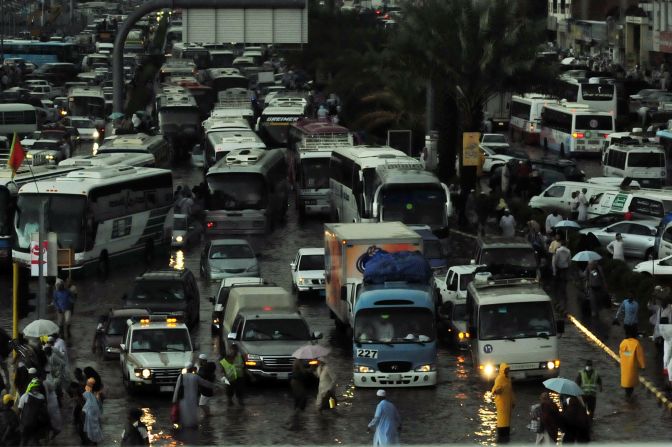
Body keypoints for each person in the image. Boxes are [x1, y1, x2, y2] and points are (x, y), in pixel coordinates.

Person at [172, 362, 213, 429]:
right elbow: (205, 383)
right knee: (192, 415)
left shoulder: (181, 376)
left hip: (183, 400)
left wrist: (174, 400)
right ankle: (192, 428)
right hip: (193, 399)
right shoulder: (195, 377)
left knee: (184, 414)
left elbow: (177, 389)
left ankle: (184, 428)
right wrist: (215, 386)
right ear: (192, 369)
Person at [18, 378, 49, 446]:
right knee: (31, 440)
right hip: (32, 424)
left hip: (29, 424)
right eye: (35, 387)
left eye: (37, 387)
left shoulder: (25, 396)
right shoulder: (40, 396)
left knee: (27, 440)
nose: (36, 389)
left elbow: (19, 410)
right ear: (31, 387)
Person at [491, 363, 514, 443]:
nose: (508, 370)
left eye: (508, 369)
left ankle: (505, 438)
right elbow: (494, 390)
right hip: (501, 404)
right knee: (502, 421)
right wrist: (496, 391)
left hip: (508, 404)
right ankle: (501, 438)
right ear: (502, 370)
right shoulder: (499, 378)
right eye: (506, 369)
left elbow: (511, 391)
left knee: (506, 421)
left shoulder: (508, 379)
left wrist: (513, 401)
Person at [620, 332, 646, 398]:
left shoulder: (623, 343)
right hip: (633, 367)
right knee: (631, 383)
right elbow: (640, 356)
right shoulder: (636, 343)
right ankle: (629, 396)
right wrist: (642, 366)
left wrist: (628, 355)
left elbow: (621, 353)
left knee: (626, 383)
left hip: (625, 366)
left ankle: (627, 396)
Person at [82, 379, 103, 445]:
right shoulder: (95, 398)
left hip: (91, 418)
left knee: (90, 435)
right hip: (94, 418)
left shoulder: (89, 398)